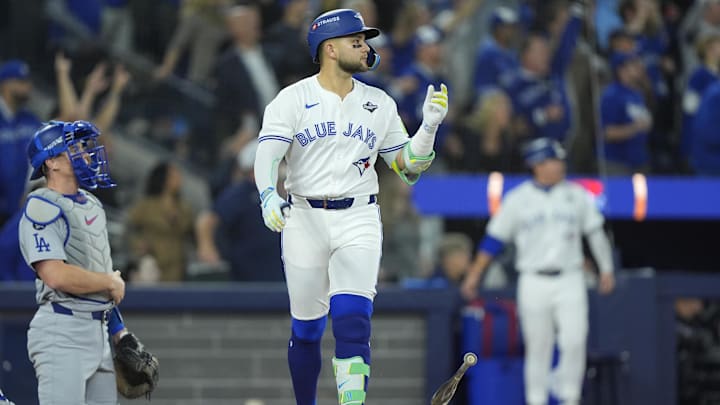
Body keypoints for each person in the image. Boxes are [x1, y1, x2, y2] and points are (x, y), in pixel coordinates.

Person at [253, 8, 449, 405]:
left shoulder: (379, 102)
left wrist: (427, 128)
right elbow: (267, 155)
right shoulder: (292, 99)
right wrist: (267, 194)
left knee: (352, 320)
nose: (366, 48)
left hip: (359, 214)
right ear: (329, 49)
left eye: (365, 41)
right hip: (304, 216)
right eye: (355, 41)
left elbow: (408, 169)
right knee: (307, 329)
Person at [460, 138, 616, 405]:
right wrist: (474, 275)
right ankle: (537, 399)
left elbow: (596, 234)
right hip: (533, 279)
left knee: (575, 340)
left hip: (570, 277)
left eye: (558, 160)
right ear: (536, 165)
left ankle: (569, 396)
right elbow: (493, 240)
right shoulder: (518, 199)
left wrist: (607, 269)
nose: (559, 165)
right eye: (552, 160)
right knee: (538, 346)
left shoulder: (577, 195)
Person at [18, 120, 139, 403]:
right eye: (74, 147)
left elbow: (99, 272)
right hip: (62, 330)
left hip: (98, 329)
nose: (86, 153)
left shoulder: (92, 204)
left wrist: (119, 331)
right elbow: (55, 275)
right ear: (52, 162)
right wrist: (108, 281)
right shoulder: (41, 206)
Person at [0, 59, 41, 228]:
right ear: (5, 84)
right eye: (21, 82)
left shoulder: (30, 120)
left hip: (19, 210)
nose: (28, 87)